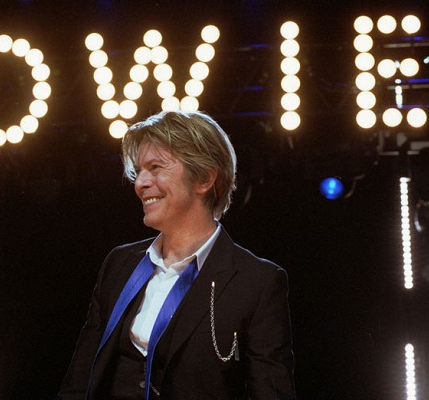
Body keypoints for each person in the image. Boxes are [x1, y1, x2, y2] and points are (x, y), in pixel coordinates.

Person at [57, 110, 295, 399]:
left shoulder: (256, 282)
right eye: (139, 171)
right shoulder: (120, 263)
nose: (140, 183)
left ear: (204, 178)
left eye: (155, 167)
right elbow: (79, 382)